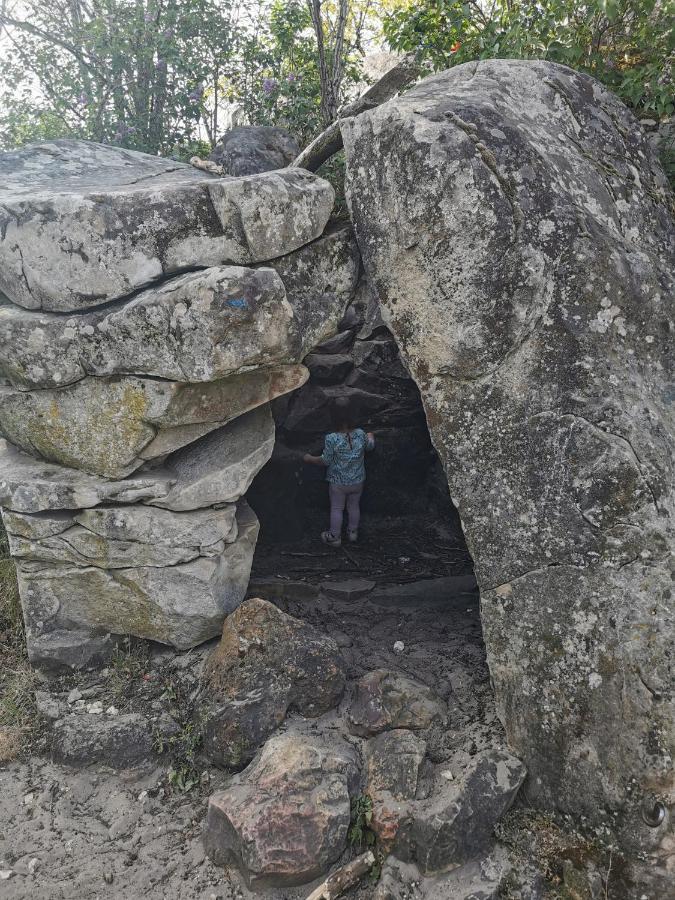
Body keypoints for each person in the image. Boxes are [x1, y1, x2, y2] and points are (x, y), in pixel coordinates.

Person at [303, 397, 375, 547]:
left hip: (338, 483)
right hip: (358, 481)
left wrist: (309, 458)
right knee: (354, 506)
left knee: (337, 508)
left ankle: (334, 537)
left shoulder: (331, 438)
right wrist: (371, 437)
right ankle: (353, 533)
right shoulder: (361, 434)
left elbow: (326, 461)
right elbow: (370, 447)